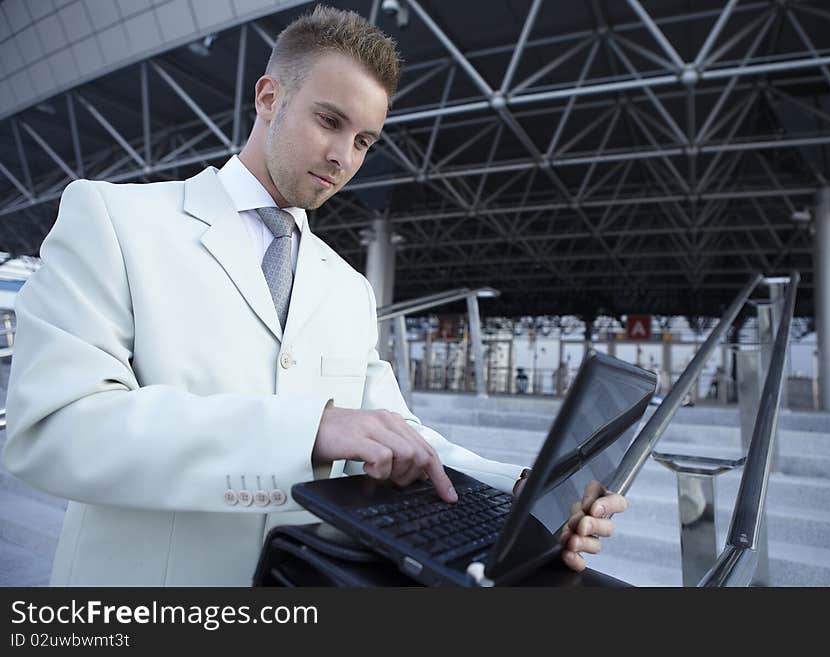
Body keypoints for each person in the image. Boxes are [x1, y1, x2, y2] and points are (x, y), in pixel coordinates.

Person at [1, 6, 626, 586]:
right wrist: (313, 429)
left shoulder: (347, 288)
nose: (342, 157)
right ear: (269, 97)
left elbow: (395, 431)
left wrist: (518, 489)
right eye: (330, 121)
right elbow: (56, 429)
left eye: (363, 141)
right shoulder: (115, 219)